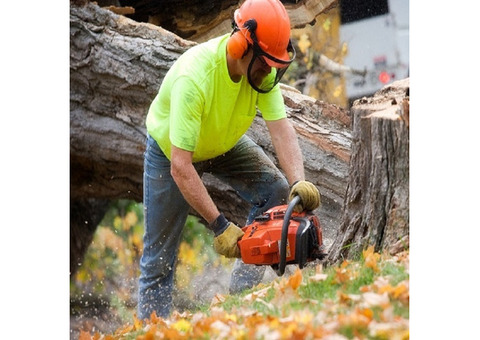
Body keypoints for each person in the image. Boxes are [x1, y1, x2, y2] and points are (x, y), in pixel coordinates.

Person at [137, 0, 321, 320]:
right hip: (172, 153)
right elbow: (181, 166)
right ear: (241, 46)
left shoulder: (262, 73)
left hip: (223, 143)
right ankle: (153, 327)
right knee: (158, 262)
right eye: (265, 63)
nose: (269, 72)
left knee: (276, 191)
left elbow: (281, 128)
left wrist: (298, 182)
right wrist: (219, 225)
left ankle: (241, 302)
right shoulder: (195, 78)